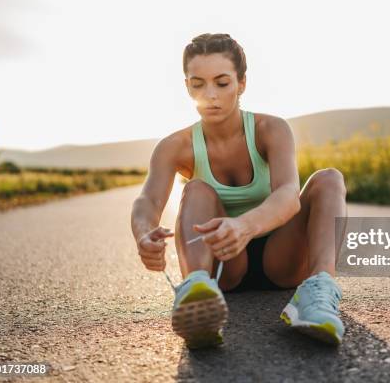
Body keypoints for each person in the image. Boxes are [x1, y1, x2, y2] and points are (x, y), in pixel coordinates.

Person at [131, 33, 348, 349]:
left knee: (329, 179)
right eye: (198, 84)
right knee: (196, 189)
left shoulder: (269, 129)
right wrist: (142, 234)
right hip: (224, 266)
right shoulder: (174, 146)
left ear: (241, 83)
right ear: (187, 86)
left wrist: (244, 226)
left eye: (222, 83)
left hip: (282, 259)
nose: (210, 95)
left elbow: (289, 195)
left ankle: (318, 294)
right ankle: (197, 292)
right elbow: (148, 200)